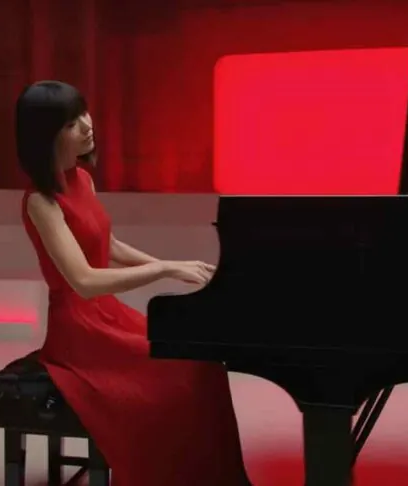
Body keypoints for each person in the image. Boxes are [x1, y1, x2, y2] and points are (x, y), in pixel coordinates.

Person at [16, 80, 252, 486]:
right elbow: (84, 281)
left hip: (106, 316)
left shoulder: (82, 180)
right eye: (71, 123)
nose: (87, 125)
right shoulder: (41, 202)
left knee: (203, 361)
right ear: (45, 137)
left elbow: (107, 245)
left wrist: (168, 264)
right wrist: (165, 270)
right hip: (79, 333)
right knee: (180, 375)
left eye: (84, 112)